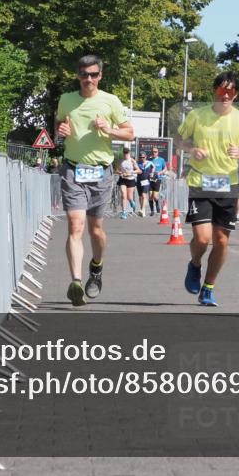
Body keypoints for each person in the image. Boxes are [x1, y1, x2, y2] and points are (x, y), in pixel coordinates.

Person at [176, 71, 239, 307]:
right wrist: (191, 148)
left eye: (231, 91)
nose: (226, 95)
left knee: (222, 241)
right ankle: (195, 264)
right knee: (202, 239)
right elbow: (178, 139)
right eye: (221, 90)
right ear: (214, 90)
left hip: (228, 186)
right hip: (200, 183)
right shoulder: (197, 115)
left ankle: (208, 287)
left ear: (236, 95)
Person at [56, 54, 134, 306]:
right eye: (83, 74)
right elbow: (59, 123)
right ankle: (76, 282)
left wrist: (109, 129)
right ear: (77, 75)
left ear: (99, 76)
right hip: (73, 169)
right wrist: (61, 130)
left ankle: (96, 268)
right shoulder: (67, 100)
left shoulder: (110, 101)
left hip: (101, 172)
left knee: (95, 230)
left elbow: (129, 133)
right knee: (74, 224)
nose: (88, 79)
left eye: (93, 74)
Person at [116, 147, 140, 218]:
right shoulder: (121, 161)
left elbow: (139, 170)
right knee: (123, 195)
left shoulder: (132, 161)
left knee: (129, 197)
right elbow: (117, 170)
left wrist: (131, 172)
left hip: (131, 179)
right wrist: (121, 173)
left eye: (127, 153)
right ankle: (124, 212)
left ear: (129, 153)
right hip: (123, 179)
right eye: (124, 154)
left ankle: (131, 201)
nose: (125, 155)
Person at [148, 146, 167, 215]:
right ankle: (152, 211)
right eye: (153, 152)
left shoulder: (161, 160)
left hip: (158, 179)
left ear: (158, 152)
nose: (154, 153)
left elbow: (165, 169)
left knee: (155, 196)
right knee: (150, 195)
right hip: (150, 180)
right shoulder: (149, 160)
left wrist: (160, 172)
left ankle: (157, 205)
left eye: (155, 152)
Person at [136, 151, 154, 217]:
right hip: (138, 181)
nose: (142, 158)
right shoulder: (137, 163)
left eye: (143, 157)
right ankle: (142, 210)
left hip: (146, 181)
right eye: (140, 157)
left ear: (146, 157)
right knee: (140, 197)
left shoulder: (150, 163)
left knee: (144, 195)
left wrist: (152, 172)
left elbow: (153, 167)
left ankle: (143, 209)